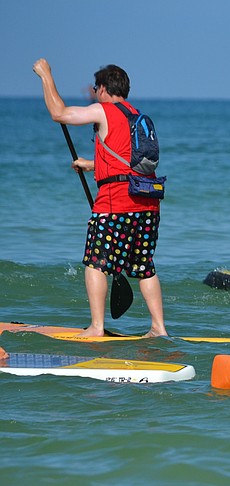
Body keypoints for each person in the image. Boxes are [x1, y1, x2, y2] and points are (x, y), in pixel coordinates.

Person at [33, 59, 167, 338]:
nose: (95, 93)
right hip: (147, 204)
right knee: (144, 265)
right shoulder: (137, 116)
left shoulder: (103, 110)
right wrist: (91, 164)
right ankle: (159, 328)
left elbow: (59, 113)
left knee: (96, 262)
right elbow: (129, 162)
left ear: (104, 89)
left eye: (96, 88)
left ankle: (96, 327)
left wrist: (46, 75)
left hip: (114, 204)